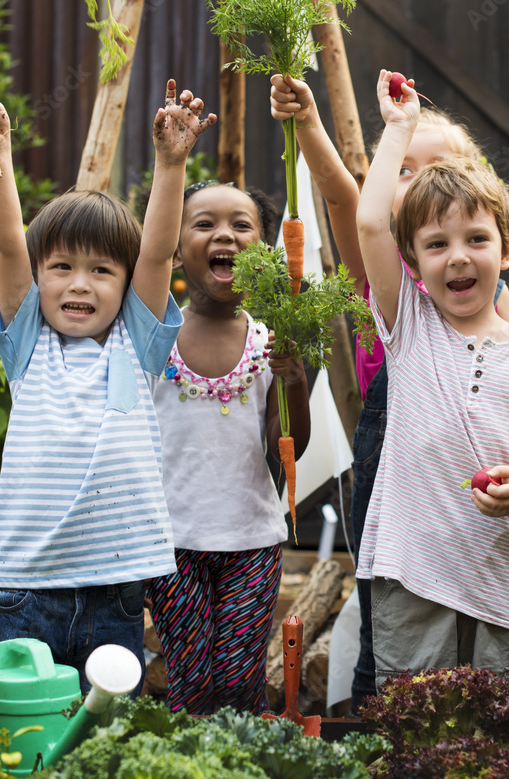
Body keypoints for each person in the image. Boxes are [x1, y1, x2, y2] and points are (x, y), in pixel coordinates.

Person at [0, 79, 215, 692]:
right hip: (26, 586)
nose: (80, 285)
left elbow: (156, 256)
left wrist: (171, 163)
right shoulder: (29, 344)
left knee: (102, 742)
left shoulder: (138, 343)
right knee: (17, 728)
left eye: (101, 271)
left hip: (116, 592)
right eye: (61, 268)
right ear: (39, 276)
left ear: (125, 286)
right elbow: (5, 241)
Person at [270, 74, 509, 710]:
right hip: (393, 444)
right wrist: (311, 125)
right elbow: (346, 196)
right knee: (391, 607)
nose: (419, 181)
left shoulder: (483, 282)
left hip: (467, 452)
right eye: (403, 169)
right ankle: (377, 724)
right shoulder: (390, 270)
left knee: (464, 605)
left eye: (439, 168)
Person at [354, 70, 509, 698]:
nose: (458, 256)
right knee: (411, 717)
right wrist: (398, 129)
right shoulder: (409, 325)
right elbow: (371, 223)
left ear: (507, 249)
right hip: (411, 569)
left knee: (492, 721)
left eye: (476, 239)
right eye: (436, 244)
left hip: (497, 572)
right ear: (415, 260)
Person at [146, 180, 311, 714]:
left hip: (251, 542)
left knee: (239, 681)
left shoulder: (269, 340)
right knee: (189, 680)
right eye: (204, 224)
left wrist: (296, 384)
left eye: (242, 226)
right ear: (174, 248)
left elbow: (287, 447)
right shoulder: (155, 337)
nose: (225, 235)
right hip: (174, 544)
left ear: (264, 253)